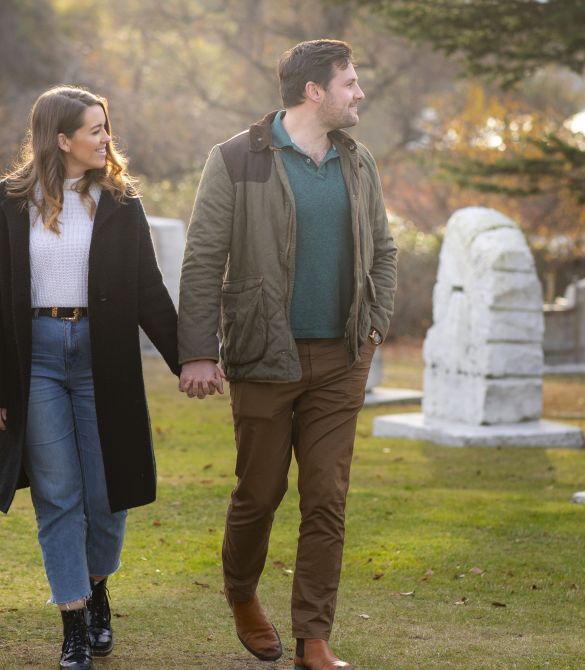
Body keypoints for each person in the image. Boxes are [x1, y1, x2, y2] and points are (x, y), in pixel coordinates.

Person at [178, 39, 397, 669]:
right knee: (260, 492)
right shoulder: (236, 158)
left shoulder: (358, 162)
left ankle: (313, 636)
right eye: (350, 83)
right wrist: (198, 351)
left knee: (326, 496)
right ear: (315, 92)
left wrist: (374, 329)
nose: (358, 93)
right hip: (262, 355)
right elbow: (202, 261)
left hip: (342, 359)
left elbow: (383, 250)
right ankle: (242, 594)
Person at [0, 85, 179, 670]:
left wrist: (193, 359)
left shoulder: (121, 203)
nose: (107, 138)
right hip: (37, 361)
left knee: (108, 495)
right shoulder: (8, 203)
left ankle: (98, 586)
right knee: (58, 497)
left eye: (107, 128)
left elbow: (150, 292)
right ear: (61, 138)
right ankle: (74, 622)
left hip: (104, 359)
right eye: (96, 129)